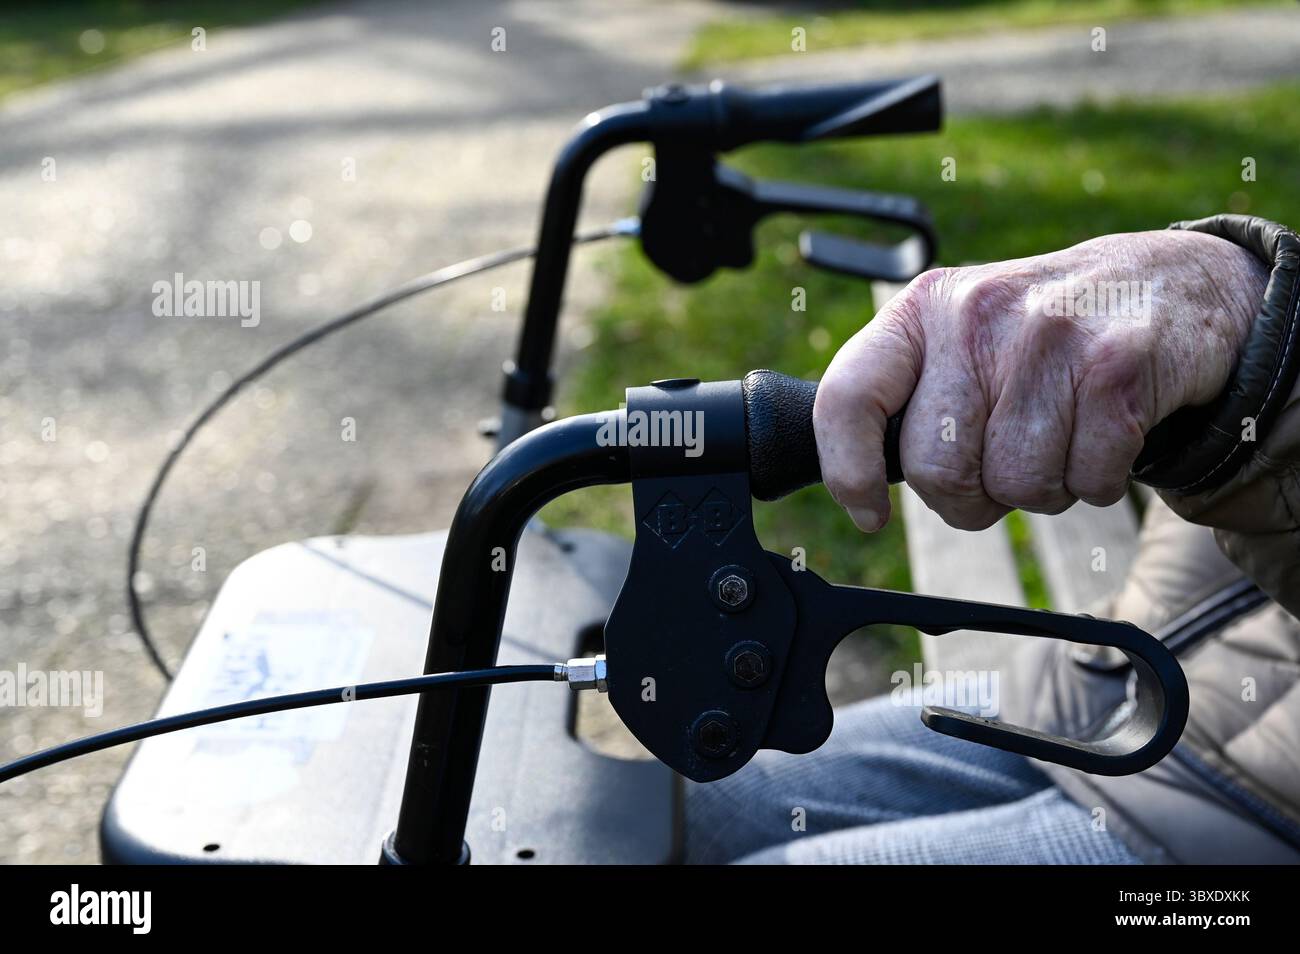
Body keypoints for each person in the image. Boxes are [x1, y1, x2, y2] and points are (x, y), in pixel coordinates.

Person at [686, 214, 1300, 864]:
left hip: (1252, 815)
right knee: (697, 805)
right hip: (1118, 672)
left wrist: (1257, 343)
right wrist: (1225, 398)